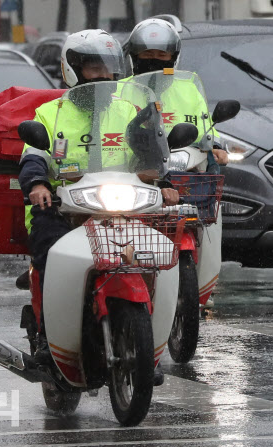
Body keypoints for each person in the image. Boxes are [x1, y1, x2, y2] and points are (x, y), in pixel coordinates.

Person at [18, 29, 180, 365]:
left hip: (121, 207)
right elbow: (33, 155)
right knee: (50, 254)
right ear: (72, 69)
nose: (103, 76)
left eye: (108, 68)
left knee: (160, 252)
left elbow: (150, 150)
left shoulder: (129, 110)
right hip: (63, 208)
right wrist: (37, 184)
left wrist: (164, 181)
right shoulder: (51, 113)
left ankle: (149, 340)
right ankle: (49, 341)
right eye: (94, 68)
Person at [126, 18, 228, 167]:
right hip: (132, 172)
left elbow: (205, 130)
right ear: (135, 57)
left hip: (182, 171)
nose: (154, 60)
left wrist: (215, 148)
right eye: (147, 54)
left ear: (173, 58)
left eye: (162, 55)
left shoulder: (189, 90)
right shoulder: (119, 91)